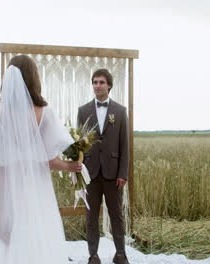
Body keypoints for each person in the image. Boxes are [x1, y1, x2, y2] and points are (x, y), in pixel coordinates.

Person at [0, 55, 81, 264]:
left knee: (8, 237)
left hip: (7, 192)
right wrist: (70, 166)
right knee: (38, 236)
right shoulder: (45, 114)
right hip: (37, 191)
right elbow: (50, 161)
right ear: (33, 78)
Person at [77, 69, 130, 264]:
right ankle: (93, 255)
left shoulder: (120, 111)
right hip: (90, 173)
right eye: (94, 82)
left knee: (116, 215)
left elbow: (124, 145)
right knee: (91, 217)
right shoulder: (83, 111)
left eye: (101, 82)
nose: (97, 85)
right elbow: (79, 145)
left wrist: (123, 173)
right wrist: (79, 172)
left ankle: (121, 254)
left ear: (109, 85)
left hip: (113, 173)